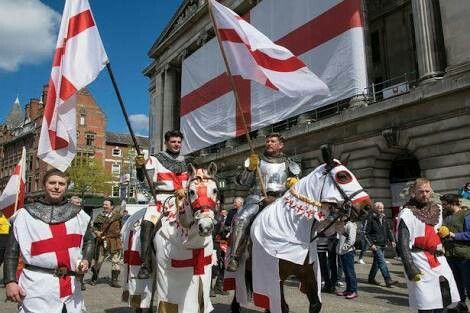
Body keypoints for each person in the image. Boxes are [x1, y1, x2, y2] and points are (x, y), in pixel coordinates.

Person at [3, 169, 94, 313]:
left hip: (69, 286)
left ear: (66, 187)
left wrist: (86, 260)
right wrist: (10, 281)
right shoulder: (24, 215)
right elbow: (11, 253)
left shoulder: (79, 215)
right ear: (44, 185)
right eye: (52, 183)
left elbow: (89, 241)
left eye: (61, 183)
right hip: (36, 286)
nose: (57, 187)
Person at [226, 132, 300, 272]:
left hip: (281, 200)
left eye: (272, 141)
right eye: (267, 141)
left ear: (280, 145)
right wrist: (249, 169)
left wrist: (294, 183)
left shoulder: (289, 163)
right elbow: (242, 182)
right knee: (242, 218)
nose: (269, 144)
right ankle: (234, 256)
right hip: (257, 198)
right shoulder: (256, 160)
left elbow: (299, 187)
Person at [397, 178, 460, 313]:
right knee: (424, 300)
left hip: (438, 258)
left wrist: (445, 235)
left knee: (445, 295)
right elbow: (402, 244)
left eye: (427, 191)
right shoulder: (407, 214)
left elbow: (437, 233)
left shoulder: (437, 209)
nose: (424, 194)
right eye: (421, 191)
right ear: (413, 192)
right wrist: (410, 268)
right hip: (419, 260)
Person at [134, 129, 188, 279]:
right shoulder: (154, 159)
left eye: (178, 142)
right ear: (166, 143)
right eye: (173, 142)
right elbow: (145, 182)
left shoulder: (188, 161)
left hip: (184, 199)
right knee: (147, 224)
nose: (176, 144)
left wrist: (186, 190)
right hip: (161, 198)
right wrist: (140, 168)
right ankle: (145, 264)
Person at [439, 193, 470, 312]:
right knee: (457, 285)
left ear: (453, 203)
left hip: (465, 257)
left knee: (468, 284)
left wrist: (453, 235)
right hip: (450, 256)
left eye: (445, 204)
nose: (443, 206)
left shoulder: (466, 215)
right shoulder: (447, 217)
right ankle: (462, 306)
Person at [90, 198, 122, 288]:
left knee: (116, 261)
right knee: (99, 261)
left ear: (111, 206)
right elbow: (94, 227)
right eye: (103, 205)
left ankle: (114, 281)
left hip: (114, 241)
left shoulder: (117, 217)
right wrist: (97, 232)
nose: (104, 206)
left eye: (106, 205)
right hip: (102, 241)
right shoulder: (100, 216)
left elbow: (121, 227)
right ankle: (94, 277)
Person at [364, 201, 397, 287]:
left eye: (382, 208)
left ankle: (371, 278)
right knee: (382, 262)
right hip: (375, 244)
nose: (382, 210)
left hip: (382, 243)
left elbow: (388, 230)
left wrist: (392, 240)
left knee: (377, 263)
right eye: (380, 208)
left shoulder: (383, 218)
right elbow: (364, 233)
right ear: (375, 209)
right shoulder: (369, 218)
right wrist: (371, 244)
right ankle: (388, 279)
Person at [336, 217, 358, 299]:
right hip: (343, 252)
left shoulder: (350, 225)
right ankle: (348, 290)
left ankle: (353, 291)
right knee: (346, 272)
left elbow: (351, 240)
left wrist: (344, 248)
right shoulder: (343, 225)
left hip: (348, 252)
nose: (340, 216)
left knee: (350, 272)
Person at [0, 210, 10, 285]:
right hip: (2, 240)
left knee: (6, 262)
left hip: (6, 241)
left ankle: (5, 279)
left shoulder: (7, 219)